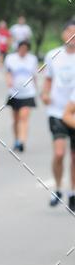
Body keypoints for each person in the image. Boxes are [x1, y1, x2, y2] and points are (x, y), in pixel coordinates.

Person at [42, 19, 75, 210]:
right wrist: (45, 94)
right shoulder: (53, 55)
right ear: (63, 34)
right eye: (70, 31)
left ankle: (73, 193)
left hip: (73, 113)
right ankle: (58, 187)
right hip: (56, 111)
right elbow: (48, 79)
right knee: (59, 153)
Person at [5, 40, 38, 152]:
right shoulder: (10, 58)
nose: (23, 51)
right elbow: (8, 72)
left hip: (28, 93)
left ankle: (22, 141)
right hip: (14, 93)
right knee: (16, 119)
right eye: (21, 49)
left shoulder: (32, 59)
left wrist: (36, 88)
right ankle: (16, 139)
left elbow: (34, 75)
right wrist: (9, 81)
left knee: (24, 117)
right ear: (18, 48)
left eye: (25, 49)